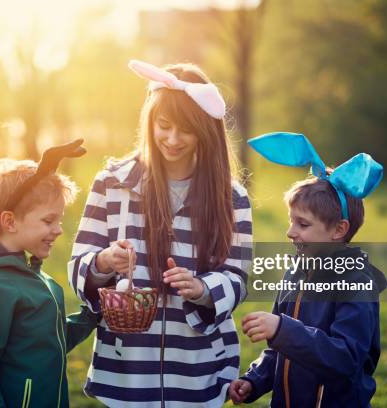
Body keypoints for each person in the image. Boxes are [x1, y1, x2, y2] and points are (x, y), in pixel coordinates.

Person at [68, 60, 252, 407]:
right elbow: (78, 265)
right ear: (149, 122)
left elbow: (238, 277)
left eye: (186, 129)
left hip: (199, 373)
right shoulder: (112, 185)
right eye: (163, 126)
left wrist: (202, 289)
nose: (172, 139)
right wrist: (104, 262)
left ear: (206, 130)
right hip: (126, 373)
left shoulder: (231, 197)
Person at [229, 132, 387, 407]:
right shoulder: (295, 273)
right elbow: (281, 350)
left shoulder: (356, 282)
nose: (290, 232)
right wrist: (255, 379)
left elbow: (346, 358)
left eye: (302, 224)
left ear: (339, 229)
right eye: (291, 221)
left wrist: (282, 329)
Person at [0, 140, 98, 407]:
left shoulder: (32, 274)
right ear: (10, 221)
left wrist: (92, 313)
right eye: (49, 220)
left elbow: (46, 341)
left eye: (58, 220)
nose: (58, 229)